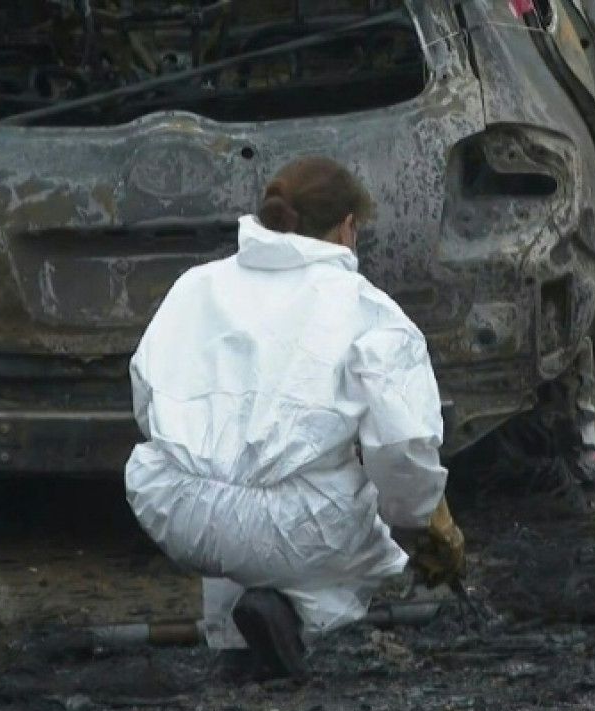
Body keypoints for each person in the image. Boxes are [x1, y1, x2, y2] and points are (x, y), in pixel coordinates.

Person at [125, 157, 466, 681]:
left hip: (176, 506)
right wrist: (424, 522)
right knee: (348, 506)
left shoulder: (196, 286)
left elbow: (149, 397)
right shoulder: (368, 310)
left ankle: (237, 644)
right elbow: (402, 449)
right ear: (348, 226)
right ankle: (296, 619)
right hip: (298, 529)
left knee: (237, 499)